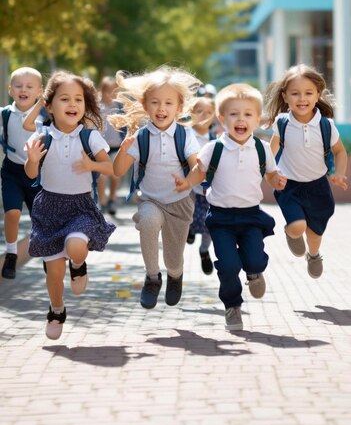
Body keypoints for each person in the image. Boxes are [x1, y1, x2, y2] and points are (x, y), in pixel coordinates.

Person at [174, 83, 287, 331]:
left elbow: (269, 174)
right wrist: (186, 183)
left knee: (254, 260)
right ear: (221, 118)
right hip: (221, 218)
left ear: (257, 119)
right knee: (228, 265)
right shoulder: (213, 148)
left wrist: (275, 180)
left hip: (251, 216)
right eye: (234, 114)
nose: (241, 119)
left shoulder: (262, 148)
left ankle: (255, 272)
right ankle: (232, 306)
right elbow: (198, 171)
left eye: (248, 114)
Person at [24, 70, 116, 340]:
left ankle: (78, 263)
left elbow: (109, 167)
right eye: (65, 99)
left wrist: (92, 165)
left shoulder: (90, 137)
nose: (73, 104)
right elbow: (31, 175)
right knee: (54, 273)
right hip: (48, 209)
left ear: (85, 105)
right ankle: (56, 309)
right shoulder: (41, 137)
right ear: (50, 106)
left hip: (80, 207)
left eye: (79, 99)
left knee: (76, 246)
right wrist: (31, 159)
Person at [111, 65, 201, 310]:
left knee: (173, 257)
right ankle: (152, 278)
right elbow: (118, 171)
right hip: (150, 199)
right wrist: (122, 149)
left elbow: (198, 167)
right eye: (155, 102)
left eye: (168, 103)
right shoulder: (140, 137)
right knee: (148, 220)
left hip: (180, 203)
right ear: (145, 104)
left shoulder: (185, 135)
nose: (161, 108)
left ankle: (175, 274)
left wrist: (188, 182)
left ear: (179, 108)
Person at [264, 64, 348, 278]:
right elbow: (271, 153)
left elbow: (340, 152)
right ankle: (291, 233)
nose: (302, 98)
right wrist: (268, 173)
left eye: (308, 93)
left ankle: (314, 255)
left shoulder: (326, 126)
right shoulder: (282, 123)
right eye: (295, 93)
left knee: (314, 233)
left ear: (317, 95)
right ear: (285, 97)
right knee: (298, 226)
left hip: (318, 186)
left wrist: (338, 173)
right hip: (289, 186)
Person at [0, 67, 44, 279]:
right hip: (11, 172)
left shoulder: (43, 119)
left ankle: (47, 254)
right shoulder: (5, 114)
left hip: (36, 173)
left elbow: (29, 129)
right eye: (18, 86)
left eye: (29, 86)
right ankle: (11, 254)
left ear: (40, 92)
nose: (23, 90)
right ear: (10, 90)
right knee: (12, 213)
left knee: (41, 218)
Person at [186, 96, 216, 274]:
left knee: (210, 223)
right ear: (191, 114)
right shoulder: (186, 136)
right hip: (189, 187)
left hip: (209, 189)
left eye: (209, 112)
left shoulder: (216, 139)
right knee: (189, 215)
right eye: (199, 111)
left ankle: (204, 250)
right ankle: (189, 229)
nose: (204, 115)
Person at [97, 76, 126, 215]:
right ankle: (101, 202)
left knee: (115, 175)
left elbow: (126, 125)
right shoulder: (97, 106)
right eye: (108, 91)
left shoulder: (120, 107)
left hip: (116, 146)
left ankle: (112, 199)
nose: (111, 94)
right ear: (102, 90)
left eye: (114, 91)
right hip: (101, 148)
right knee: (102, 176)